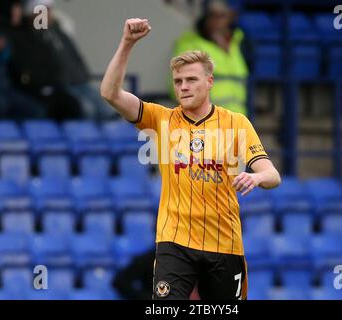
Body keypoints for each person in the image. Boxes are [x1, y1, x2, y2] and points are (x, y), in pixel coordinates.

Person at [101, 18, 281, 300]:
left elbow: (272, 175)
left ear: (209, 82)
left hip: (225, 244)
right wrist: (127, 43)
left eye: (191, 80)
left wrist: (256, 177)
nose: (183, 87)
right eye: (178, 81)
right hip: (175, 243)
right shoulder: (160, 119)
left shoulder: (236, 123)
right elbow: (110, 93)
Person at [171, 0, 249, 115]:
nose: (216, 21)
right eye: (212, 16)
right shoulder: (190, 44)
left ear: (230, 17)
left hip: (236, 121)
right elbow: (179, 87)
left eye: (221, 16)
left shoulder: (239, 43)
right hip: (204, 120)